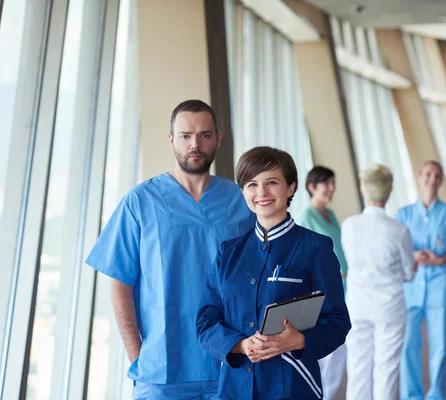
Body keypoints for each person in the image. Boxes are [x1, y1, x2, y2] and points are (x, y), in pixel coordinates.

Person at [85, 100, 254, 399]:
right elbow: (120, 286)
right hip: (161, 372)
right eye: (186, 135)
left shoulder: (240, 200)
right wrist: (138, 356)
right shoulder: (140, 202)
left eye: (204, 135)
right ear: (171, 138)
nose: (195, 144)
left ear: (218, 137)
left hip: (229, 364)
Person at [196, 146, 351, 400]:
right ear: (243, 191)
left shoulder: (315, 248)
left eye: (271, 182)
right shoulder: (228, 252)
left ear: (291, 188)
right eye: (252, 184)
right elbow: (206, 322)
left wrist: (298, 340)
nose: (261, 193)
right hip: (235, 390)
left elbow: (337, 321)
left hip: (293, 387)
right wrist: (242, 345)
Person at [395, 160, 446, 400]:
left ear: (441, 180)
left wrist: (442, 259)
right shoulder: (403, 214)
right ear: (418, 176)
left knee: (441, 347)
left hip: (441, 288)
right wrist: (413, 254)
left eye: (437, 175)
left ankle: (436, 395)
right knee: (407, 347)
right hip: (410, 289)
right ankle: (411, 396)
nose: (432, 179)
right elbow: (396, 248)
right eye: (427, 174)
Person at [342, 164, 416, 400]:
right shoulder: (399, 230)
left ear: (364, 191)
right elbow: (408, 273)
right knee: (386, 369)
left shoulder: (349, 225)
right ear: (389, 192)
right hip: (389, 307)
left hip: (357, 305)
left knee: (357, 369)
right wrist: (412, 267)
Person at [297, 166, 349, 400]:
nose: (331, 189)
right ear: (311, 187)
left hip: (345, 292)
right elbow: (306, 262)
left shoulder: (331, 215)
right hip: (324, 297)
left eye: (333, 183)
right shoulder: (307, 218)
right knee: (329, 357)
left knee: (338, 357)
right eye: (326, 184)